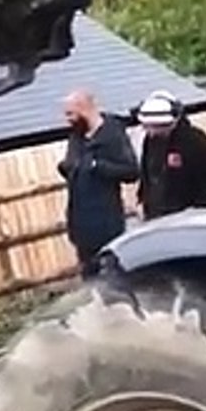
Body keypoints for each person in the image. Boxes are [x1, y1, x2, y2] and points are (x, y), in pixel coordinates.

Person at [58, 89, 140, 276]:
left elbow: (131, 171)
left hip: (107, 224)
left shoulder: (112, 135)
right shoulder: (77, 136)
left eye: (70, 114)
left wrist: (98, 166)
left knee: (112, 277)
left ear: (84, 109)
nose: (67, 119)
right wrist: (67, 168)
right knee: (89, 277)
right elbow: (74, 168)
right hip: (81, 225)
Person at [135, 90, 206, 221]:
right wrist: (141, 200)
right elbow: (147, 176)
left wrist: (197, 209)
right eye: (147, 127)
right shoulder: (149, 141)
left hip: (187, 220)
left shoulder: (194, 141)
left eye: (158, 127)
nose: (152, 132)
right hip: (155, 219)